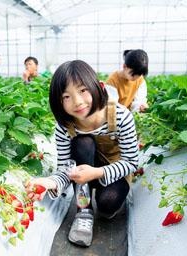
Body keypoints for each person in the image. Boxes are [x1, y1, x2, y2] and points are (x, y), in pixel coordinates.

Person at [25, 60, 138, 247]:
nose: (77, 101)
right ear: (58, 102)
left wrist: (96, 173)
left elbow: (132, 162)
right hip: (82, 171)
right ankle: (83, 211)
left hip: (114, 170)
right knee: (82, 142)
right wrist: (49, 182)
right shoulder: (65, 127)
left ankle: (103, 201)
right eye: (66, 96)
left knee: (107, 205)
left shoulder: (120, 116)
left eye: (83, 90)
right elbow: (66, 169)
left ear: (98, 87)